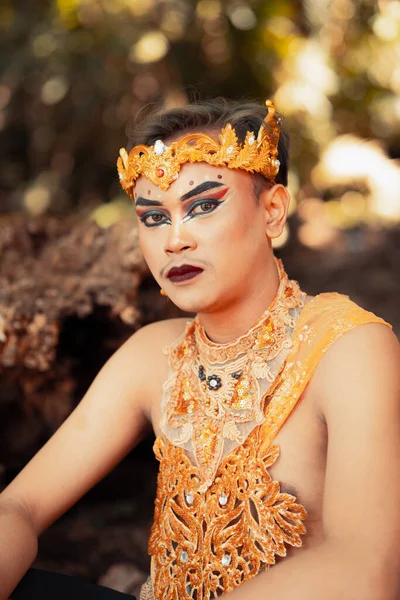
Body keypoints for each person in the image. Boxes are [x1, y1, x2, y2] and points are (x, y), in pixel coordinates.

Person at [0, 97, 399, 600]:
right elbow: (20, 507)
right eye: (152, 217)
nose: (174, 240)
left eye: (204, 206)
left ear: (273, 211)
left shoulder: (350, 348)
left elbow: (366, 571)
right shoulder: (152, 355)